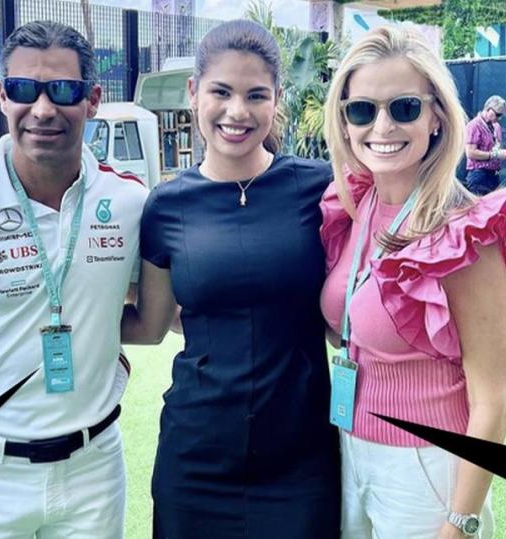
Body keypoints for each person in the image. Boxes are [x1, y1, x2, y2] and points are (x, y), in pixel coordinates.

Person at [0, 21, 150, 538]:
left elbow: (141, 313)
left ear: (92, 100)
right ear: (3, 96)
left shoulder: (132, 200)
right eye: (24, 89)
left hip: (94, 467)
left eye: (63, 90)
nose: (42, 109)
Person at [122, 19, 340, 539]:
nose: (237, 111)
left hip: (300, 458)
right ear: (195, 93)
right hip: (196, 458)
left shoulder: (321, 189)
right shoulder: (167, 206)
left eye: (255, 95)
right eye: (221, 91)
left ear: (276, 99)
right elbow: (152, 325)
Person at [319, 26, 506, 538]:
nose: (381, 125)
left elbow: (493, 401)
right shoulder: (356, 204)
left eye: (404, 107)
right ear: (343, 121)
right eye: (362, 109)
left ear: (436, 115)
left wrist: (460, 521)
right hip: (349, 449)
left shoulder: (463, 233)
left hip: (426, 466)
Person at [463, 94, 506, 195]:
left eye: (501, 115)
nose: (499, 118)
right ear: (488, 109)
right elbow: (470, 153)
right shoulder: (474, 126)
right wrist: (496, 155)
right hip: (478, 175)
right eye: (498, 114)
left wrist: (504, 153)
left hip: (494, 175)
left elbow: (496, 148)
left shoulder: (496, 127)